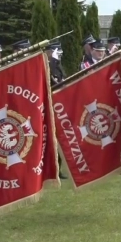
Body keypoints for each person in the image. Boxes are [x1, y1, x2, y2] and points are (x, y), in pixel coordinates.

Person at [45, 39, 68, 180]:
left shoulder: (58, 66)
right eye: (54, 53)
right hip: (48, 107)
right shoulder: (47, 65)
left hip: (58, 107)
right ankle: (49, 170)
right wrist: (52, 61)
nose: (57, 55)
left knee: (58, 139)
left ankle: (58, 169)